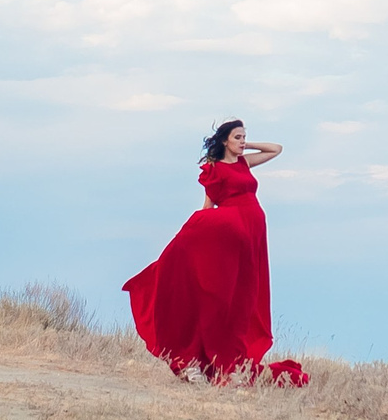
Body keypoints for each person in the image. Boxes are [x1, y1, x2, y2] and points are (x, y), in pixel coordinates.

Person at [122, 120, 305, 385]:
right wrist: (192, 238)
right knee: (217, 296)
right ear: (224, 141)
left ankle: (230, 363)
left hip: (251, 238)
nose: (242, 141)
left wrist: (246, 146)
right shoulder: (214, 169)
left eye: (244, 137)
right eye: (238, 137)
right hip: (229, 236)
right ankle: (195, 359)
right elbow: (208, 205)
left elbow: (276, 149)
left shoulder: (244, 163)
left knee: (244, 297)